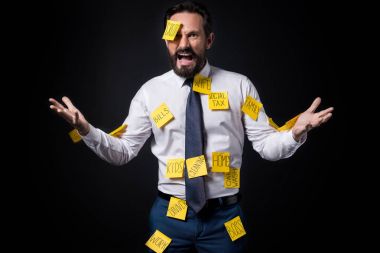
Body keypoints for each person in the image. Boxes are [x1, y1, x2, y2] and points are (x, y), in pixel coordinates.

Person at [49, 1, 333, 252]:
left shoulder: (240, 86)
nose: (183, 43)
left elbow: (267, 147)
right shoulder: (150, 92)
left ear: (209, 40)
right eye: (175, 35)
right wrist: (87, 131)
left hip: (226, 218)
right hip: (168, 217)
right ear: (166, 41)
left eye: (193, 34)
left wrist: (296, 133)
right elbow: (122, 152)